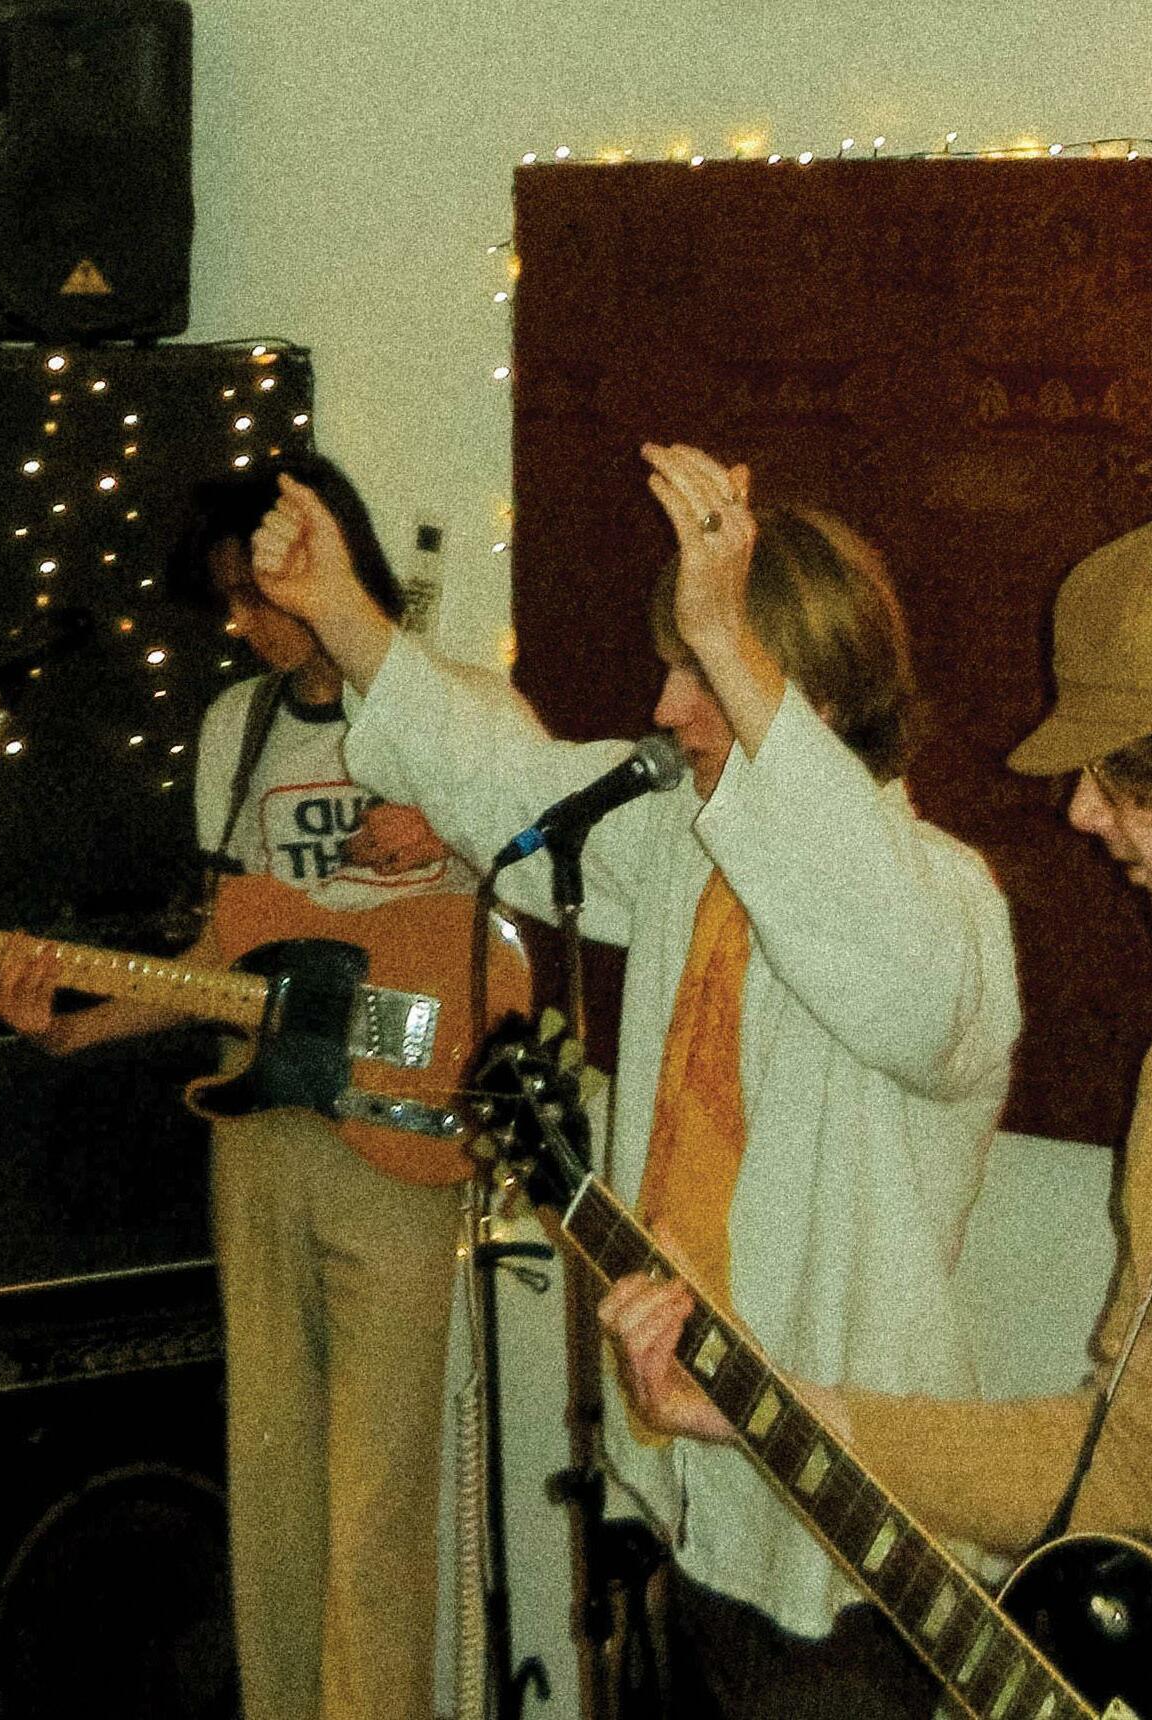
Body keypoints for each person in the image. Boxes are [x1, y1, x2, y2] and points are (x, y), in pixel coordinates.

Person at [250, 442, 1022, 1719]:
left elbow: (890, 969)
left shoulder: (940, 901)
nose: (664, 706)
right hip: (689, 1506)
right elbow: (503, 778)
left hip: (854, 1553)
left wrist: (735, 648)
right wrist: (346, 616)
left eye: (698, 670)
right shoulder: (685, 841)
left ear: (810, 696)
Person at [601, 511, 1152, 1674]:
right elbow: (1127, 1459)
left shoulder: (939, 901)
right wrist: (761, 1411)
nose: (1079, 811)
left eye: (1116, 773)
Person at [0, 457, 477, 1720]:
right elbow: (223, 959)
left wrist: (462, 829)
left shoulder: (455, 705)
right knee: (270, 1486)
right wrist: (72, 1029)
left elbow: (538, 880)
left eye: (253, 593)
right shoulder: (234, 728)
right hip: (257, 1124)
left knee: (377, 1502)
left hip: (399, 1131)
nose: (241, 623)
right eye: (228, 600)